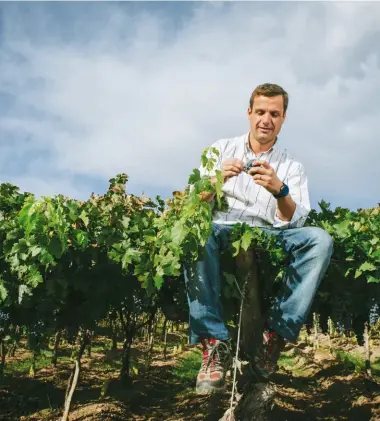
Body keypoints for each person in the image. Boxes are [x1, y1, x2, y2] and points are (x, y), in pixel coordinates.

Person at [184, 83, 333, 396]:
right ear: (249, 113)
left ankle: (274, 335)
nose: (267, 119)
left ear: (283, 119)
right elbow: (194, 204)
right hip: (223, 227)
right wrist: (215, 180)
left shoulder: (292, 165)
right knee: (195, 235)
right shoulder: (220, 149)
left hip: (269, 233)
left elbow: (295, 219)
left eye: (274, 114)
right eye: (261, 111)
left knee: (319, 240)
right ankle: (213, 342)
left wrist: (280, 190)